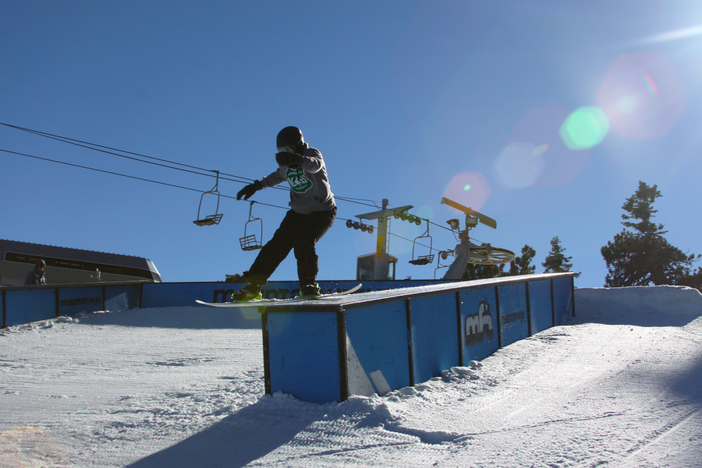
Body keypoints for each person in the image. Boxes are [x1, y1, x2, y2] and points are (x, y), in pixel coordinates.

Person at [233, 126, 336, 301]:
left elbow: (315, 165)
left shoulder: (312, 153)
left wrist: (297, 159)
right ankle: (253, 287)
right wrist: (256, 186)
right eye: (281, 151)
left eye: (288, 150)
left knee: (303, 240)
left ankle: (308, 285)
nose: (285, 154)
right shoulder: (286, 165)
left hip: (322, 212)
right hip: (297, 213)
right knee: (276, 246)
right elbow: (275, 177)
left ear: (298, 145)